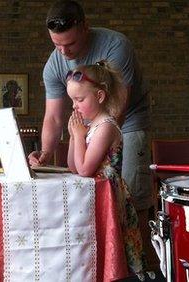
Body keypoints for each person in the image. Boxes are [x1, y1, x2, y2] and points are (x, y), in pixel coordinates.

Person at [28, 0, 153, 267]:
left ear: (85, 28)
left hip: (126, 122)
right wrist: (47, 152)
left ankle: (142, 267)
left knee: (131, 196)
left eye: (69, 45)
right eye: (56, 44)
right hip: (88, 126)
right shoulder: (54, 64)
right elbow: (53, 116)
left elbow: (116, 107)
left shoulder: (116, 46)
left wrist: (90, 139)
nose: (63, 51)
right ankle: (106, 262)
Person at [66, 60, 145, 279]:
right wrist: (75, 136)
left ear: (99, 96)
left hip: (108, 197)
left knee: (109, 243)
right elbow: (73, 166)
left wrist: (80, 136)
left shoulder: (106, 127)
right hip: (95, 196)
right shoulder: (90, 127)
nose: (74, 106)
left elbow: (84, 169)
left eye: (79, 99)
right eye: (72, 100)